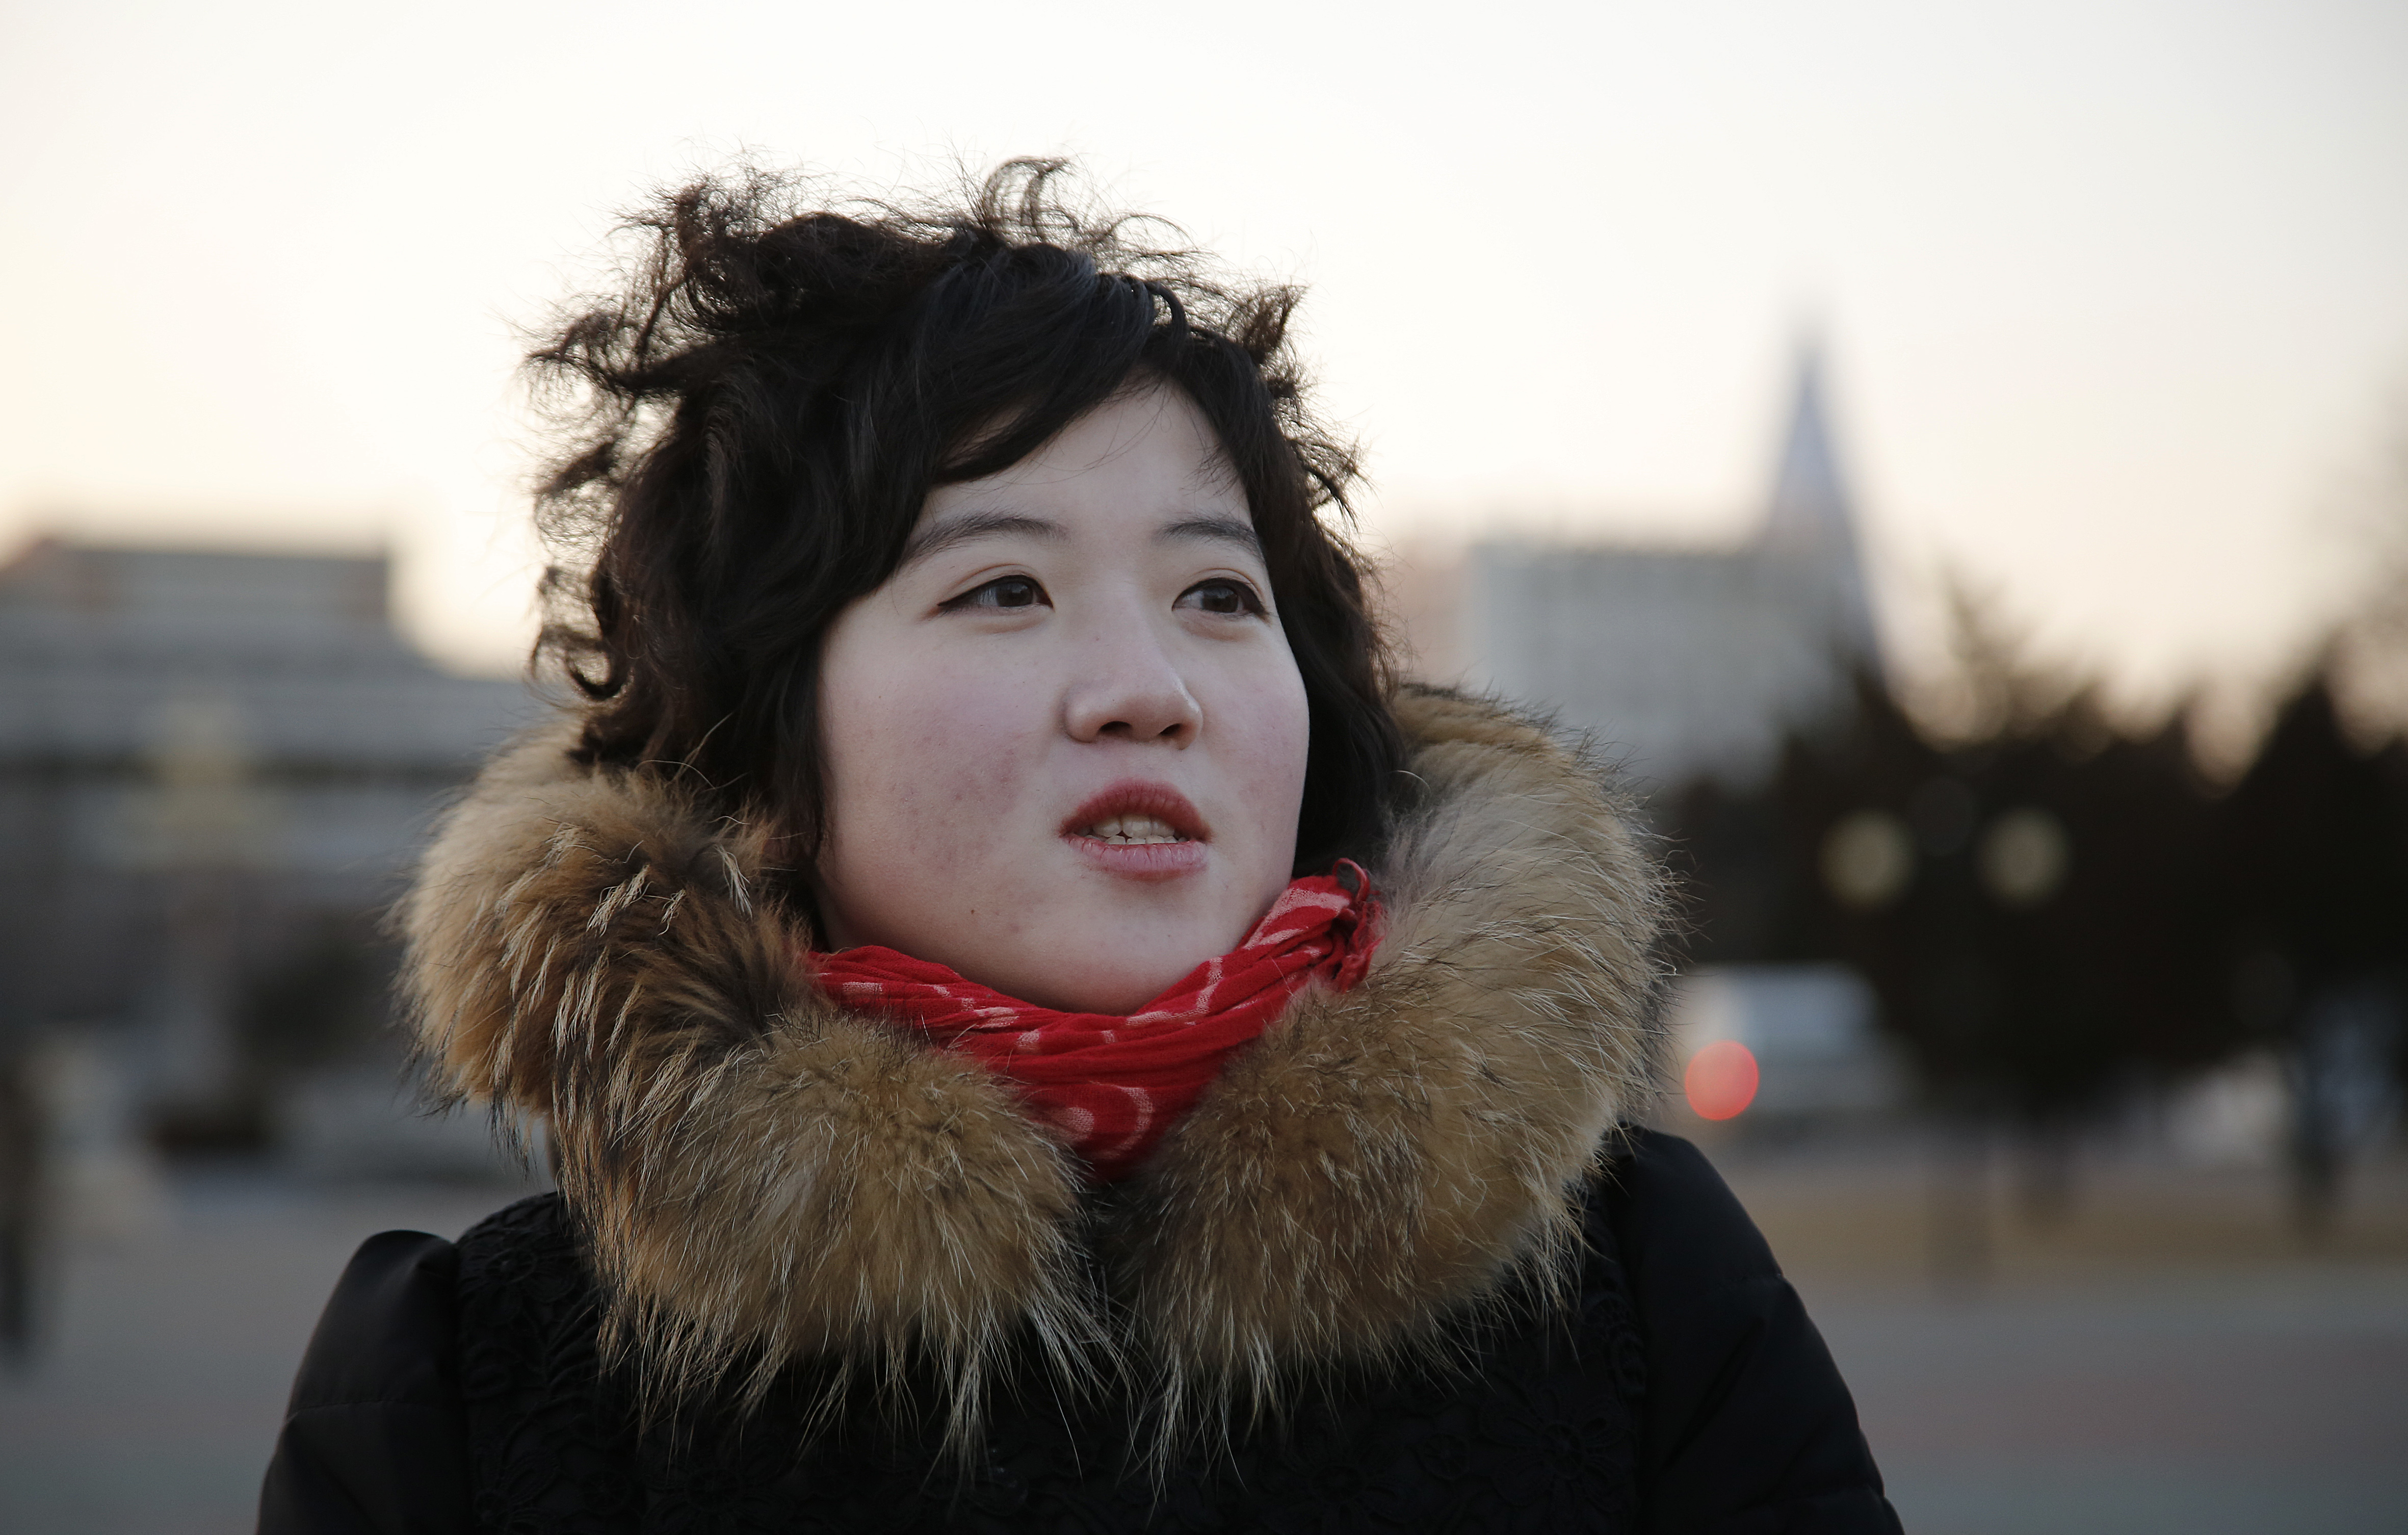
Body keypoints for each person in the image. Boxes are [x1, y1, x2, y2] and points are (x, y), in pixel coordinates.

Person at [258, 162, 1901, 1533]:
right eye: (1002, 589)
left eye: (1217, 595)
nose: (1149, 689)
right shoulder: (470, 1387)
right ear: (757, 742)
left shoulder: (1638, 1293)